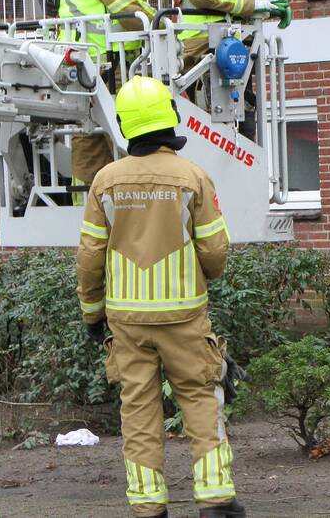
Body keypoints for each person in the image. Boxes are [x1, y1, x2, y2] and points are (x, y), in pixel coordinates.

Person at [76, 75, 245, 518]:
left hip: (127, 322)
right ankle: (215, 502)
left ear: (126, 124)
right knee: (201, 400)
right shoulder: (193, 177)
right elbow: (215, 249)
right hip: (185, 317)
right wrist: (203, 276)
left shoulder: (105, 181)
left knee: (138, 412)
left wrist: (93, 316)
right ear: (168, 118)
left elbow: (90, 257)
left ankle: (148, 507)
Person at [58, 0, 157, 198]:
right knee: (107, 145)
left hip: (92, 66)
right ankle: (95, 213)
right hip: (103, 68)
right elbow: (131, 12)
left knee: (92, 145)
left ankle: (88, 214)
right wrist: (166, 23)